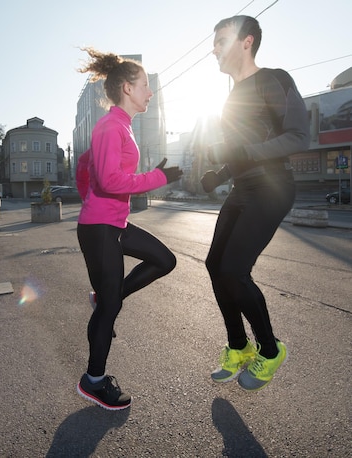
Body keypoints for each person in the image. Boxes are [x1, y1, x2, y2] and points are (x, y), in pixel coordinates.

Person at [201, 16, 310, 391]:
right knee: (215, 264)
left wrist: (241, 153)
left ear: (246, 42)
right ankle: (238, 347)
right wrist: (222, 172)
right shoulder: (230, 98)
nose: (214, 48)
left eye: (221, 41)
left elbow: (298, 136)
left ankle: (270, 349)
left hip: (273, 187)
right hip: (243, 187)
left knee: (234, 270)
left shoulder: (275, 79)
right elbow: (242, 152)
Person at [75, 48, 183, 410]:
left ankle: (110, 294)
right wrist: (158, 177)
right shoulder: (110, 126)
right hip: (100, 227)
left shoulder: (121, 126)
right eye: (145, 85)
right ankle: (93, 380)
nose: (150, 93)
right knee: (109, 309)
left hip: (113, 223)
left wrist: (157, 175)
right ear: (126, 88)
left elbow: (95, 172)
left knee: (164, 260)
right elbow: (107, 181)